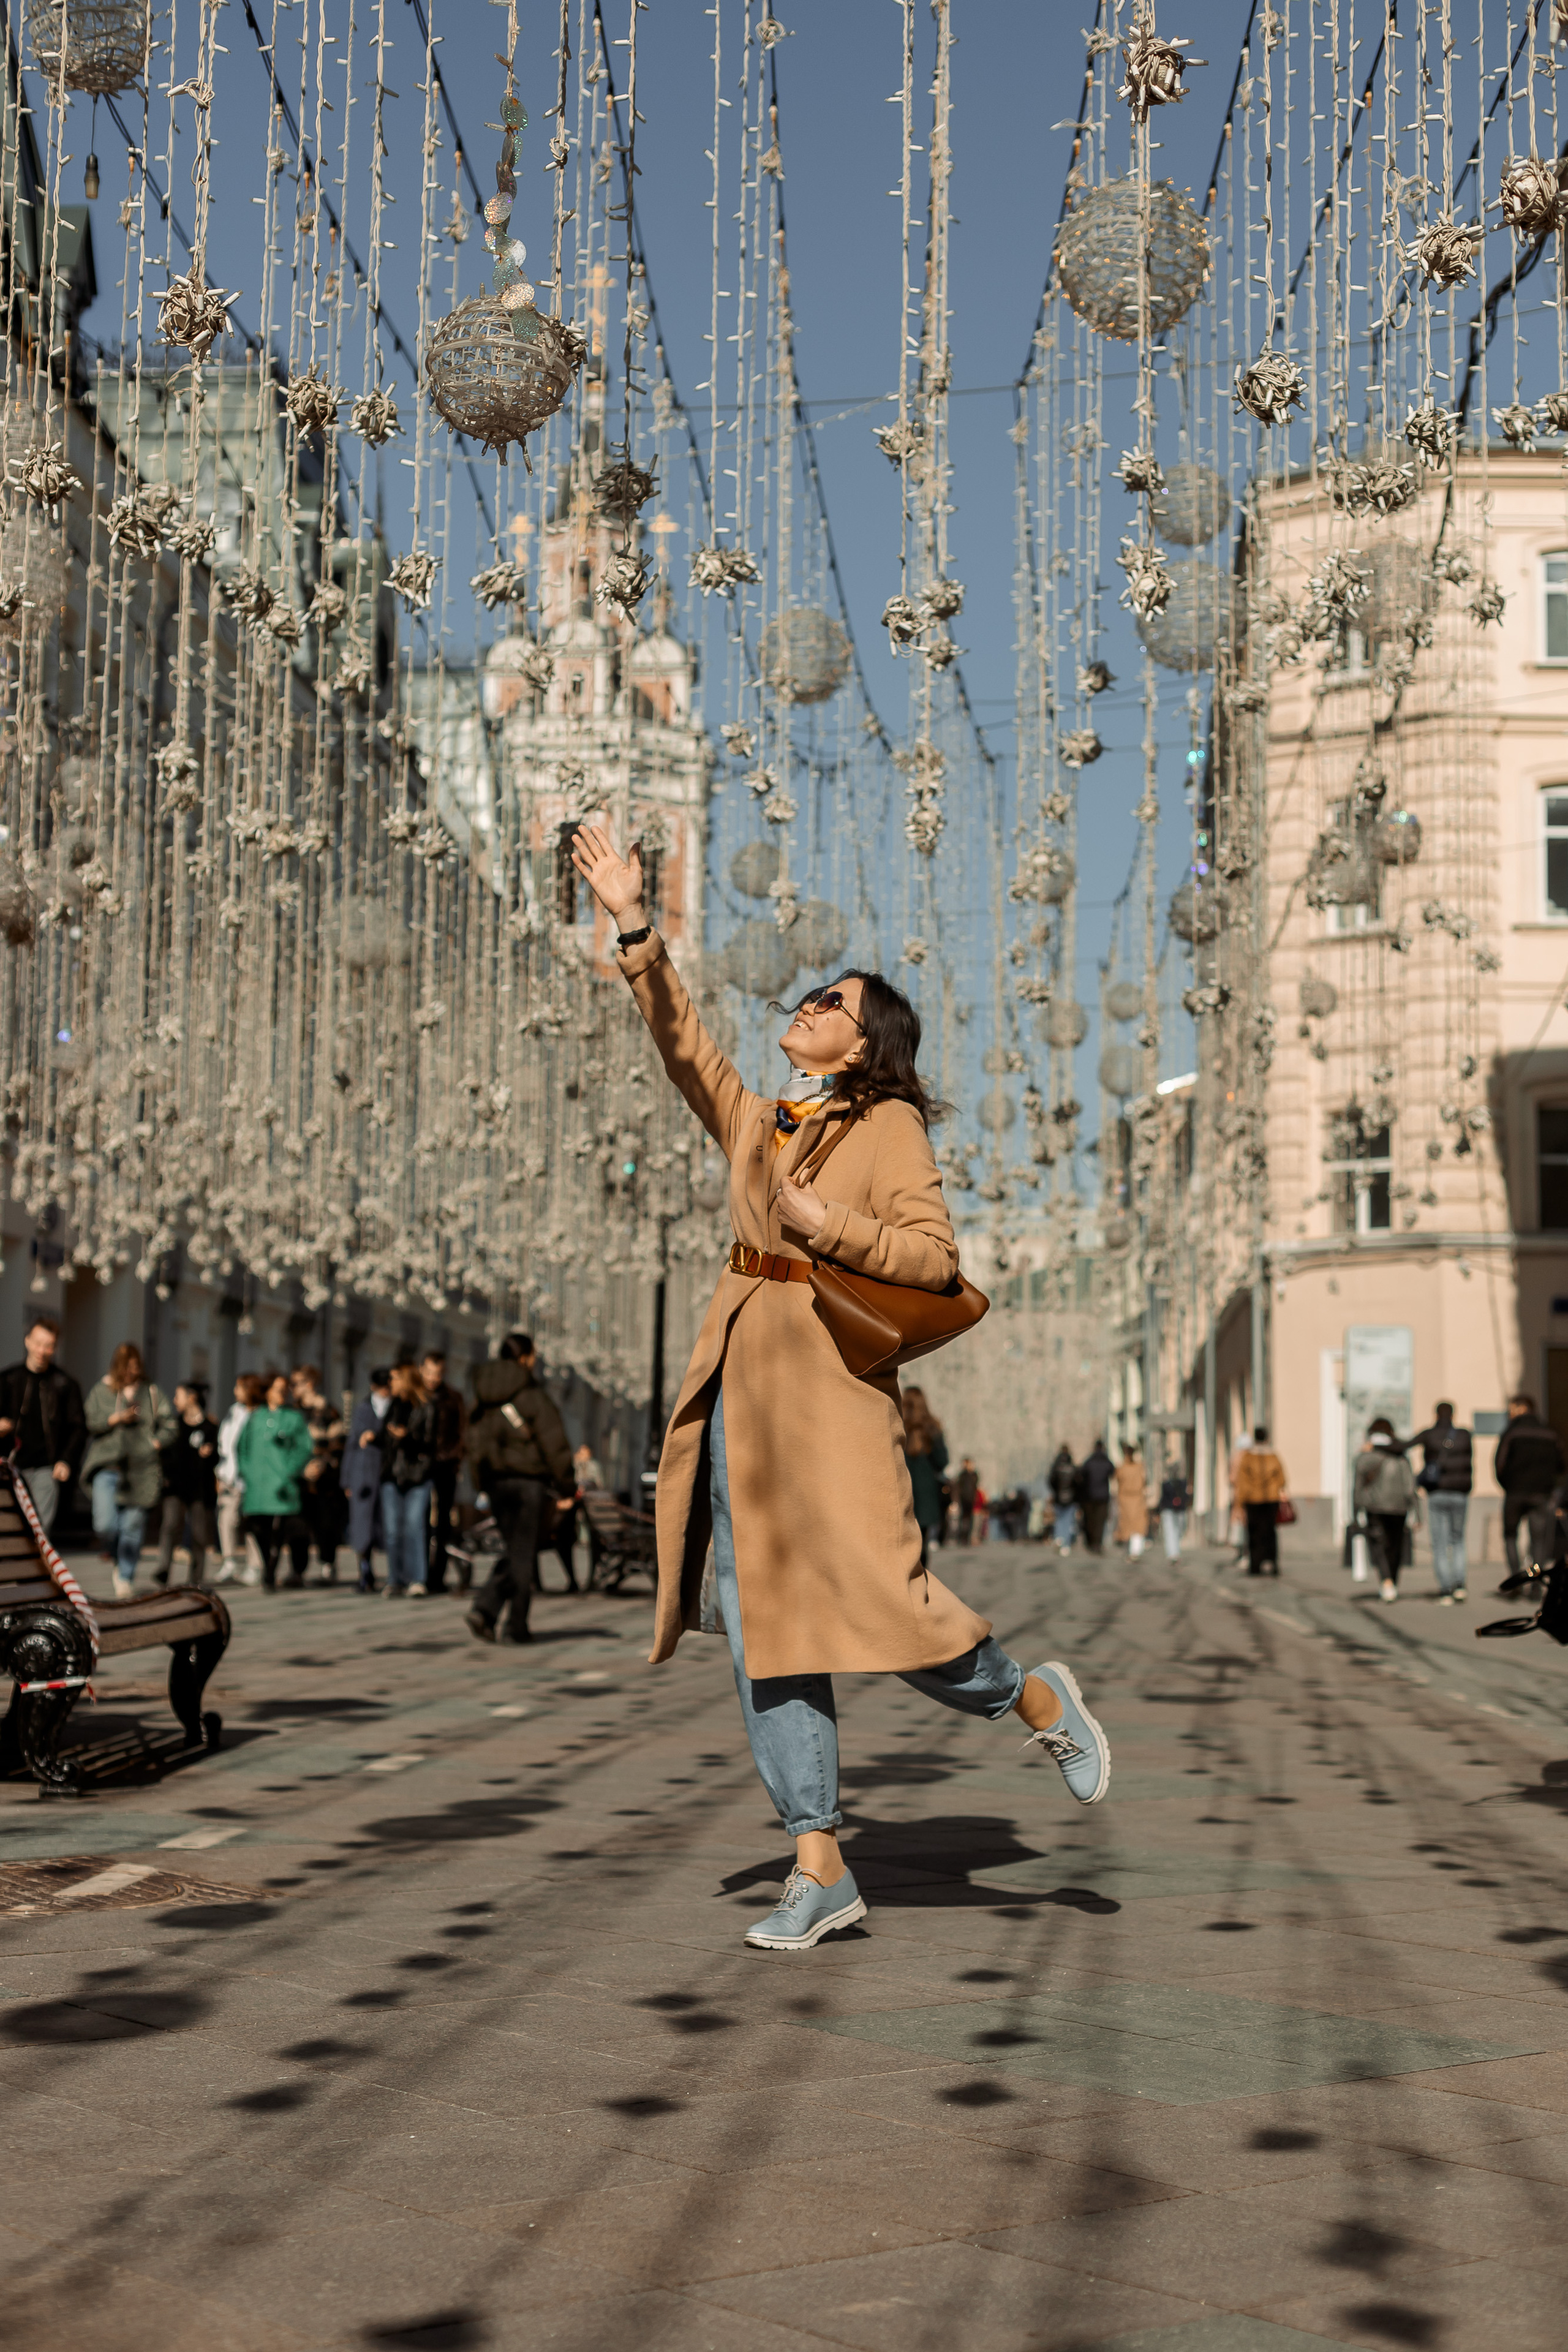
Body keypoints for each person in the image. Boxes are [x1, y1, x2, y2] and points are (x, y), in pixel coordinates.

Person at [570, 820, 1110, 1953]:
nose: (808, 1005)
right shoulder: (762, 1122)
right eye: (812, 994)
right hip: (744, 1407)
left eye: (832, 1002)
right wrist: (635, 925)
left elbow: (935, 1261)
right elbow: (689, 1052)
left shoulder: (892, 1123)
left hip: (835, 1398)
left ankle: (1031, 1698)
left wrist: (830, 1223)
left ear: (864, 1048)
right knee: (765, 1628)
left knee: (892, 1611)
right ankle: (818, 1861)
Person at [464, 1333, 574, 1642]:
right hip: (529, 1484)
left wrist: (480, 1482)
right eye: (534, 1355)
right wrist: (567, 1486)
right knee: (524, 1553)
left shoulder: (483, 1395)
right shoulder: (531, 1394)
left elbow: (474, 1442)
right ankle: (515, 1626)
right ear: (524, 1357)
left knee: (515, 1550)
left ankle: (485, 1612)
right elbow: (555, 1443)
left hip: (496, 1483)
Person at [81, 1343, 176, 1597]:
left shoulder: (152, 1392)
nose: (132, 1373)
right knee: (105, 1524)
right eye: (127, 1368)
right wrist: (116, 1418)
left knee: (133, 1526)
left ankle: (125, 1575)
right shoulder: (103, 1390)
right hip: (108, 1466)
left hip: (142, 1469)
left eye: (136, 1367)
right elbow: (89, 1421)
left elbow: (170, 1423)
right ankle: (115, 1552)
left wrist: (156, 1442)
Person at [0, 1312, 85, 1537]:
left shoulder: (65, 1384)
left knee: (39, 1530)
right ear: (27, 1341)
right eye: (38, 1343)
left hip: (46, 1467)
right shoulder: (7, 1379)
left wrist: (66, 1460)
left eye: (49, 1346)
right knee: (9, 1527)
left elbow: (78, 1427)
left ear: (55, 1348)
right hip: (9, 1465)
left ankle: (33, 1568)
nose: (42, 1351)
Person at [236, 1371, 314, 1589]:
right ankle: (268, 1562)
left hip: (282, 1485)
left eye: (284, 1390)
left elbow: (304, 1448)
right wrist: (246, 1471)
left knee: (281, 1529)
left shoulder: (293, 1418)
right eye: (277, 1389)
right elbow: (242, 1447)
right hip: (257, 1486)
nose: (282, 1394)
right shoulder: (255, 1417)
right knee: (257, 1527)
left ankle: (271, 1569)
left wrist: (290, 1470)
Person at [377, 1363, 439, 1598]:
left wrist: (408, 1437)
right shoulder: (392, 1406)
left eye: (394, 1379)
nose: (390, 1383)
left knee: (414, 1527)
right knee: (392, 1530)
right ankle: (395, 1579)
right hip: (392, 1474)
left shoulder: (426, 1406)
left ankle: (417, 1579)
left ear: (406, 1380)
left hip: (417, 1475)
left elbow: (430, 1442)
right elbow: (386, 1438)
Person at [1493, 1393, 1566, 1582]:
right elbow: (1562, 1464)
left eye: (1512, 1408)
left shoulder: (1512, 1432)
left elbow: (1499, 1464)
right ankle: (1535, 1582)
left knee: (1510, 1535)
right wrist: (1550, 1484)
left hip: (1515, 1492)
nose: (1509, 1412)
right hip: (1541, 1493)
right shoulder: (1550, 1433)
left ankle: (1516, 1581)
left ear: (1522, 1408)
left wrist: (1508, 1485)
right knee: (1539, 1541)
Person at [154, 1381, 219, 1586]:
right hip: (175, 1486)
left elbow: (219, 1457)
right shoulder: (175, 1425)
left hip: (200, 1489)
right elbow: (166, 1454)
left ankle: (196, 1579)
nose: (175, 1400)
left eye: (178, 1396)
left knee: (199, 1533)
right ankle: (163, 1568)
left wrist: (210, 1453)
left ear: (192, 1397)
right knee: (170, 1525)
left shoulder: (210, 1428)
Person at [1410, 1400, 1472, 1604]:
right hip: (1460, 1493)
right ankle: (1460, 1586)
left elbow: (1404, 1445)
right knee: (1458, 1540)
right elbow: (1471, 1464)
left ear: (1436, 1415)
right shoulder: (1464, 1435)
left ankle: (1446, 1589)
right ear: (1453, 1415)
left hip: (1437, 1493)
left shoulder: (1429, 1434)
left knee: (1439, 1543)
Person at [292, 1364, 347, 1583]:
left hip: (324, 1481)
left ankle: (328, 1565)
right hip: (298, 1479)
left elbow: (338, 1445)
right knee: (297, 1526)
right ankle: (298, 1570)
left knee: (325, 1524)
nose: (291, 1388)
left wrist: (320, 1465)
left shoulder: (329, 1411)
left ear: (309, 1384)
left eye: (295, 1384)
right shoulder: (292, 1412)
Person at [1353, 1417, 1419, 1602]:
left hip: (1375, 1507)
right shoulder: (1401, 1456)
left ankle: (1386, 1580)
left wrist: (1356, 1511)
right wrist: (1417, 1512)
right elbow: (1410, 1486)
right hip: (1399, 1508)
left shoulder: (1366, 1457)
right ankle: (1393, 1582)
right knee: (1395, 1546)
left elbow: (1357, 1487)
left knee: (1378, 1545)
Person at [420, 1348, 467, 1594]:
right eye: (429, 1372)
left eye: (437, 1373)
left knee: (444, 1522)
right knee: (420, 1519)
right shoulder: (416, 1396)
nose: (433, 1378)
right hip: (420, 1467)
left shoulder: (452, 1398)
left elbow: (461, 1432)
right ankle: (420, 1573)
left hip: (445, 1465)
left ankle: (437, 1575)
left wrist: (455, 1460)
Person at [343, 1367, 391, 1593]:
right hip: (363, 1475)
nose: (385, 1391)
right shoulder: (363, 1408)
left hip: (386, 1473)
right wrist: (347, 1479)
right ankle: (365, 1570)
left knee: (385, 1525)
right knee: (362, 1525)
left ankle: (394, 1573)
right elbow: (352, 1445)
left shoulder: (395, 1407)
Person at [215, 1372, 265, 1585]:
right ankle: (229, 1561)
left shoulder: (260, 1415)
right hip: (230, 1476)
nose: (236, 1392)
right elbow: (225, 1444)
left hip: (252, 1479)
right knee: (226, 1519)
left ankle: (255, 1565)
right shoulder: (234, 1412)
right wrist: (221, 1473)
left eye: (240, 1387)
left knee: (252, 1524)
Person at [1231, 1426, 1289, 1576]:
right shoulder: (1273, 1456)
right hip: (1271, 1499)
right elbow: (1282, 1479)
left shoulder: (1248, 1458)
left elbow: (1242, 1481)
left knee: (1254, 1532)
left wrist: (1239, 1502)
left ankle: (1255, 1565)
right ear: (1267, 1438)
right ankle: (1272, 1563)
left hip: (1253, 1500)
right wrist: (1275, 1489)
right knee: (1270, 1531)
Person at [902, 1387, 949, 1567]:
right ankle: (921, 1584)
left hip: (901, 1489)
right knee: (921, 1544)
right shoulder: (931, 1427)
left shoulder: (895, 1423)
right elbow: (942, 1461)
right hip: (926, 1495)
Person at [1077, 1438, 1114, 1556]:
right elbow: (1112, 1472)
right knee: (1100, 1521)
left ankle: (1092, 1542)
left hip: (1089, 1496)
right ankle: (1097, 1543)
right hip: (1103, 1496)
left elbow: (1082, 1476)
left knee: (1090, 1520)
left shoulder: (1089, 1461)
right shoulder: (1106, 1461)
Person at [1115, 1443, 1149, 1561]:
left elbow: (1118, 1480)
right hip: (1137, 1498)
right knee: (1137, 1525)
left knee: (1129, 1525)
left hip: (1127, 1498)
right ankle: (1135, 1551)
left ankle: (1132, 1550)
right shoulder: (1140, 1467)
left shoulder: (1122, 1468)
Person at [1048, 1446, 1079, 1553]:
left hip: (1058, 1497)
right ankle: (1066, 1544)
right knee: (1068, 1521)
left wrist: (1056, 1491)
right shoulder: (1072, 1466)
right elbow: (1078, 1482)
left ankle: (1059, 1538)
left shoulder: (1056, 1467)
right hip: (1071, 1498)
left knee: (1059, 1519)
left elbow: (1051, 1481)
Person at [1158, 1461, 1190, 1561]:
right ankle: (1172, 1554)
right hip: (1168, 1511)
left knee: (1177, 1532)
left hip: (1179, 1511)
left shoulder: (1183, 1483)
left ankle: (1175, 1552)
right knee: (1170, 1532)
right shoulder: (1166, 1485)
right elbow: (1163, 1499)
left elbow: (1186, 1497)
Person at [954, 1457, 979, 1546]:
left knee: (971, 1518)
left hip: (971, 1499)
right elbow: (958, 1488)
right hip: (963, 1499)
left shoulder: (974, 1475)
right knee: (963, 1518)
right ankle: (961, 1537)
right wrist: (956, 1499)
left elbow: (976, 1486)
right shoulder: (962, 1475)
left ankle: (968, 1537)